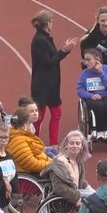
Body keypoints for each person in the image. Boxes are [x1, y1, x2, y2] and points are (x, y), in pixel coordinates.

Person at [30, 9, 77, 148]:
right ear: (47, 23)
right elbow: (48, 62)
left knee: (56, 112)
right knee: (39, 116)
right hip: (42, 84)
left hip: (52, 83)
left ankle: (54, 144)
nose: (53, 24)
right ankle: (34, 143)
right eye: (52, 21)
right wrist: (64, 51)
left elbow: (52, 57)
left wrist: (63, 49)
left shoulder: (45, 38)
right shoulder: (39, 40)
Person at [40, 130, 93, 207]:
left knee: (97, 198)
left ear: (82, 147)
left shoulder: (78, 161)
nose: (75, 146)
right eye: (71, 143)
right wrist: (76, 198)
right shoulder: (59, 163)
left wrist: (90, 189)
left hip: (74, 194)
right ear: (66, 145)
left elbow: (79, 181)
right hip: (63, 202)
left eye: (78, 143)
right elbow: (59, 188)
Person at [77, 48, 107, 141]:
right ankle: (98, 130)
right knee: (98, 105)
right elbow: (80, 90)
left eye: (88, 60)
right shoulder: (84, 74)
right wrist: (91, 96)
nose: (86, 62)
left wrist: (101, 73)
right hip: (93, 97)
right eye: (85, 60)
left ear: (97, 60)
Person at [6, 106, 52, 174]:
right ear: (26, 122)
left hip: (42, 164)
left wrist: (53, 162)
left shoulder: (22, 136)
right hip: (34, 173)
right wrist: (51, 165)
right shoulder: (18, 140)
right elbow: (31, 163)